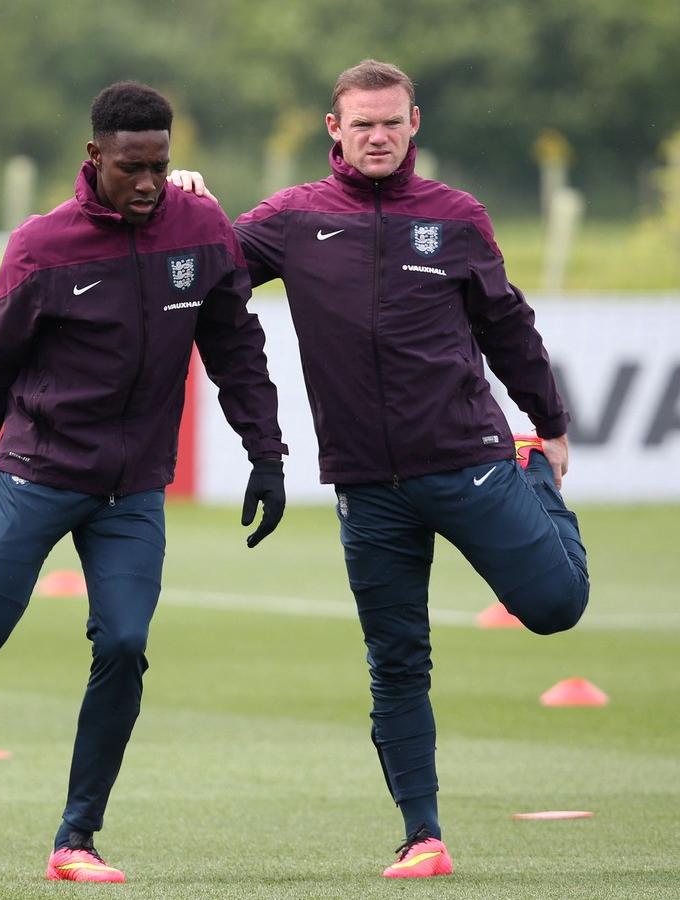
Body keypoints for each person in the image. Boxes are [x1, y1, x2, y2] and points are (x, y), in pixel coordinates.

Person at [168, 59, 590, 879]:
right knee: (396, 661)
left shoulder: (457, 218)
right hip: (366, 485)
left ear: (414, 123)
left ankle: (531, 473)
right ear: (335, 129)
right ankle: (422, 836)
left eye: (392, 122)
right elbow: (211, 271)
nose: (378, 136)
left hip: (470, 461)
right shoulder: (294, 218)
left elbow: (508, 326)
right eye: (362, 123)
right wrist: (186, 208)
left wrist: (550, 423)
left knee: (556, 607)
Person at [0, 81, 288, 884]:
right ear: (94, 157)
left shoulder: (202, 229)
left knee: (127, 642)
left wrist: (267, 455)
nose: (147, 183)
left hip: (134, 488)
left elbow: (237, 349)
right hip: (39, 471)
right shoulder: (42, 248)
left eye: (160, 166)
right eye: (131, 167)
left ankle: (77, 838)